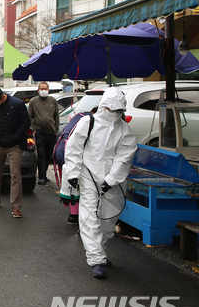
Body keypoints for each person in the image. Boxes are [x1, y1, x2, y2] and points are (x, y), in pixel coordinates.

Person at [64, 87, 137, 279]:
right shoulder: (88, 122)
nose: (114, 114)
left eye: (118, 111)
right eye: (111, 110)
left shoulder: (124, 130)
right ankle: (95, 259)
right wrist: (73, 172)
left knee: (109, 218)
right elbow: (73, 148)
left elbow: (125, 157)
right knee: (90, 217)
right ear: (103, 106)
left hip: (113, 181)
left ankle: (100, 251)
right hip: (88, 175)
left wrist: (111, 179)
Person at [0, 86, 31, 218]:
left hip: (14, 145)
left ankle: (16, 206)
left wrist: (16, 136)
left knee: (15, 175)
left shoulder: (17, 104)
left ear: (2, 97)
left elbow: (26, 122)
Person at [28, 82, 59, 185]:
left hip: (51, 132)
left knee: (48, 155)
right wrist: (34, 129)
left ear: (48, 90)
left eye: (45, 88)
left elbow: (56, 116)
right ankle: (42, 176)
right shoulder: (34, 101)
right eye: (42, 89)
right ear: (38, 90)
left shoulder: (53, 101)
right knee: (41, 155)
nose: (44, 90)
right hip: (40, 132)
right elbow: (30, 116)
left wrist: (56, 130)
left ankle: (44, 174)